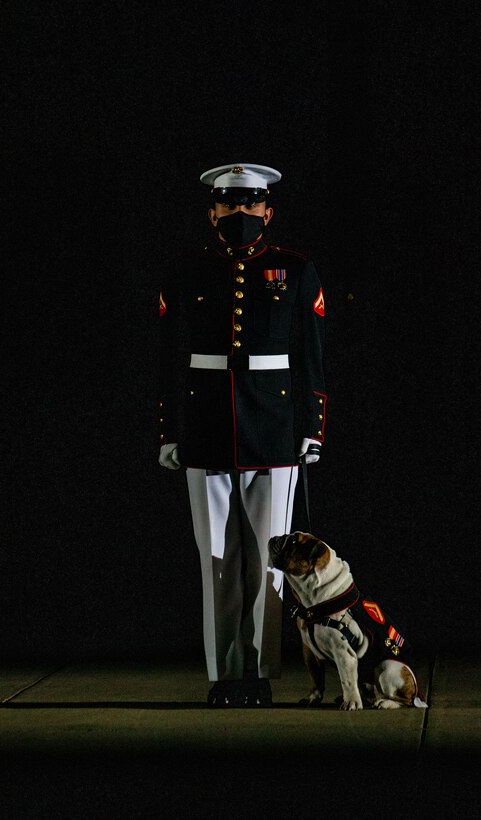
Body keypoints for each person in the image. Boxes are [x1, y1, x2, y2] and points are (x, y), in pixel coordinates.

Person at [158, 163, 327, 707]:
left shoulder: (294, 269)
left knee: (269, 559)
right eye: (229, 204)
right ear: (212, 212)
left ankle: (258, 674)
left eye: (250, 203)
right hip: (205, 423)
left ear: (267, 211)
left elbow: (310, 354)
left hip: (274, 426)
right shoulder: (187, 268)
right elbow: (168, 354)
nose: (240, 213)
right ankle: (223, 675)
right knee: (216, 559)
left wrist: (312, 427)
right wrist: (169, 430)